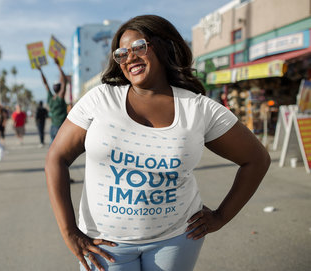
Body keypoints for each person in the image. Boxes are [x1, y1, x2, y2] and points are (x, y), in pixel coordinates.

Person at [45, 15, 271, 271]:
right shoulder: (100, 99)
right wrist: (69, 231)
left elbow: (257, 159)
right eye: (121, 53)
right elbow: (56, 158)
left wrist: (221, 216)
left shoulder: (198, 109)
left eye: (139, 47)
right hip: (105, 245)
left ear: (165, 46)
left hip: (176, 241)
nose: (129, 57)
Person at [38, 56, 67, 143]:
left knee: (53, 149)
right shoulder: (59, 97)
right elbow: (64, 82)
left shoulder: (51, 98)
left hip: (53, 127)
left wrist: (40, 71)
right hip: (60, 127)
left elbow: (46, 84)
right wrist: (58, 66)